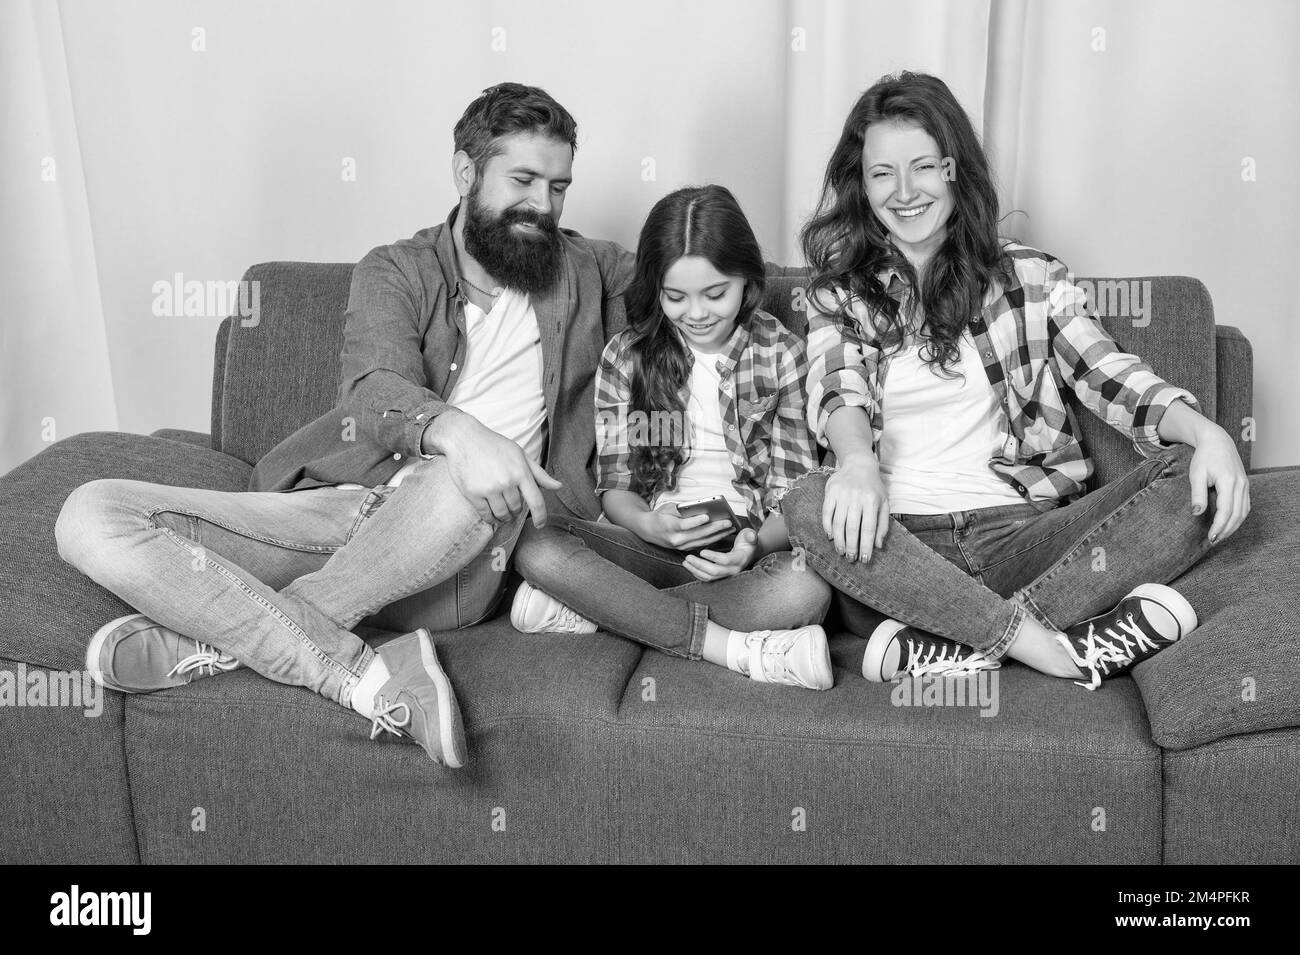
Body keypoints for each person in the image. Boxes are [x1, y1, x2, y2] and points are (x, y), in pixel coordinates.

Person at [54, 83, 636, 766]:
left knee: (463, 480)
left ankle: (218, 641)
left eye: (559, 187)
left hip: (463, 554)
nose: (544, 205)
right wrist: (462, 433)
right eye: (524, 180)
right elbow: (372, 390)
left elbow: (701, 272)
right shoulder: (397, 269)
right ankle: (360, 673)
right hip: (336, 515)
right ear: (466, 172)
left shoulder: (590, 270)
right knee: (90, 517)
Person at [780, 71, 1251, 690]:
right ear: (861, 185)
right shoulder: (840, 293)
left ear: (955, 170)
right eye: (882, 173)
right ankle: (1048, 647)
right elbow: (836, 385)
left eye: (923, 167)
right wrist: (856, 463)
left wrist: (1209, 433)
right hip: (897, 551)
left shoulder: (1030, 276)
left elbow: (1107, 373)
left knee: (1191, 473)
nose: (905, 192)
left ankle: (950, 643)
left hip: (1019, 540)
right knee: (807, 502)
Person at [509, 185, 833, 689]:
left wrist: (751, 547)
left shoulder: (782, 353)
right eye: (675, 297)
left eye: (715, 294)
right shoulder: (627, 354)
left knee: (805, 590)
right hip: (650, 547)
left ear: (747, 281)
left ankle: (603, 609)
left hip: (741, 554)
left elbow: (795, 496)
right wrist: (649, 524)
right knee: (536, 542)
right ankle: (727, 643)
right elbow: (616, 487)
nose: (696, 314)